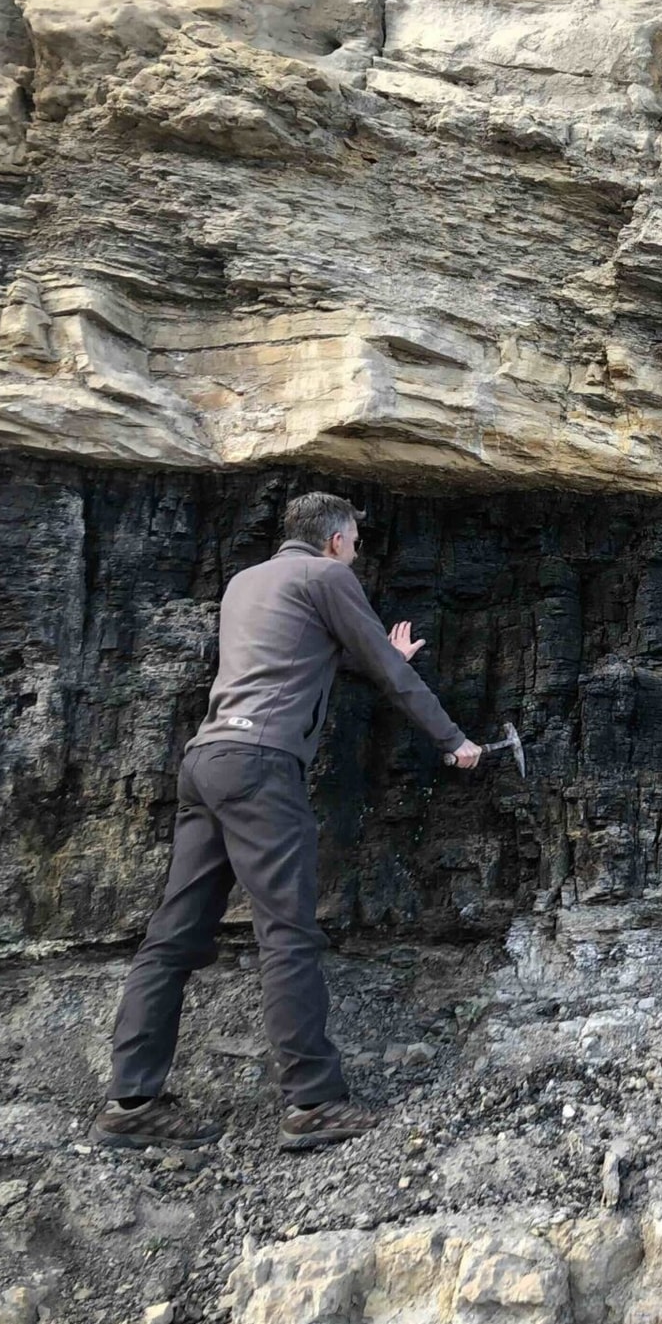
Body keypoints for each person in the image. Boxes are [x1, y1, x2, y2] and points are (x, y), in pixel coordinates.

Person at [95, 492, 483, 1152]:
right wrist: (453, 739)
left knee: (172, 939)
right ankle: (312, 1103)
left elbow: (292, 659)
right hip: (260, 769)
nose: (357, 551)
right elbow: (388, 677)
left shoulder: (247, 582)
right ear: (335, 540)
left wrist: (382, 657)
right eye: (356, 540)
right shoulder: (329, 577)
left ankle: (132, 1100)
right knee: (288, 934)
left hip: (206, 761)